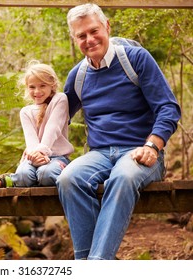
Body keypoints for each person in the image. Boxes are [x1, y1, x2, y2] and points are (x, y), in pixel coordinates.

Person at [56, 3, 181, 260]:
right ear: (74, 38)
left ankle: (96, 264)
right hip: (100, 154)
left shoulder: (135, 59)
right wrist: (38, 149)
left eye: (94, 31)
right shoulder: (78, 75)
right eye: (81, 35)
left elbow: (168, 108)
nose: (89, 40)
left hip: (140, 151)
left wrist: (152, 145)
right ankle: (93, 261)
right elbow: (57, 120)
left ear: (107, 27)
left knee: (123, 177)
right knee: (68, 178)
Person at [3, 61, 73, 187]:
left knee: (46, 173)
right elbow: (31, 141)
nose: (37, 91)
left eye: (42, 85)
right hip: (34, 157)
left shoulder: (60, 99)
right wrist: (35, 157)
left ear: (52, 85)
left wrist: (42, 152)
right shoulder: (26, 112)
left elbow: (53, 128)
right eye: (32, 87)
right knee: (22, 176)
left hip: (57, 157)